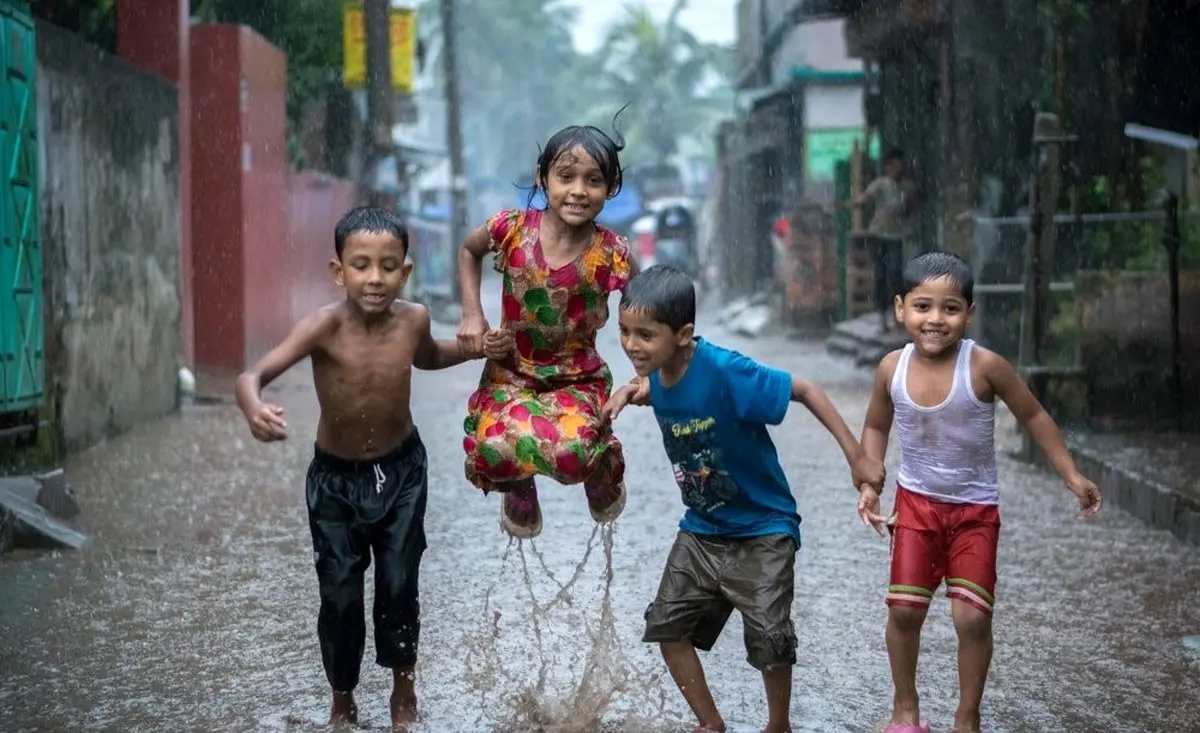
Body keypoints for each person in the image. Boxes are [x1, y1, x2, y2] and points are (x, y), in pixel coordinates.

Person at [234, 206, 510, 731]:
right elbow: (253, 374)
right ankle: (343, 700)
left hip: (402, 472)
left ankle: (403, 695)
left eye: (388, 266)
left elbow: (426, 356)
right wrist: (253, 408)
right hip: (335, 482)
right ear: (338, 271)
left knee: (399, 584)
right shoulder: (322, 327)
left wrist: (477, 350)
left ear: (405, 271)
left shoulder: (414, 318)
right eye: (361, 265)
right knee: (339, 594)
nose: (375, 278)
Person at [603, 264, 884, 733]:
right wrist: (630, 391)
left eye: (645, 335)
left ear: (684, 334)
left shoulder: (726, 370)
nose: (632, 346)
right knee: (667, 626)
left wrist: (856, 457)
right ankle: (711, 724)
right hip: (702, 528)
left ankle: (779, 725)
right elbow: (662, 388)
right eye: (625, 332)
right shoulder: (659, 372)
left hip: (764, 528)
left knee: (770, 638)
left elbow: (805, 389)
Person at [855, 252, 1103, 733]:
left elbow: (1033, 415)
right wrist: (870, 481)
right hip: (917, 506)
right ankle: (905, 709)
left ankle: (967, 717)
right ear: (900, 309)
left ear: (969, 313)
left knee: (971, 619)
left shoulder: (985, 366)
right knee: (904, 610)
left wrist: (1071, 474)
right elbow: (876, 424)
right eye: (923, 307)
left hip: (974, 512)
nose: (935, 320)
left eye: (950, 309)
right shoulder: (892, 368)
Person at [456, 123, 638, 539]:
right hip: (511, 377)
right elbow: (468, 250)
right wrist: (474, 317)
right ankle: (518, 487)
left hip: (578, 381)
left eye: (593, 181)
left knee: (572, 456)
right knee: (493, 451)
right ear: (543, 177)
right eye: (566, 177)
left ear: (610, 188)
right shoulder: (511, 229)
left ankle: (601, 466)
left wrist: (644, 373)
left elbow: (642, 308)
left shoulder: (612, 253)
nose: (578, 191)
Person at [842, 148, 918, 333]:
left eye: (901, 165)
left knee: (896, 275)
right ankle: (883, 317)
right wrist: (851, 203)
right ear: (889, 166)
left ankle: (896, 315)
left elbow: (908, 209)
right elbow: (865, 198)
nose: (898, 169)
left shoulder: (908, 187)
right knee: (881, 276)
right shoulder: (881, 184)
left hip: (897, 237)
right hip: (878, 235)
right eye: (895, 165)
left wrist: (902, 209)